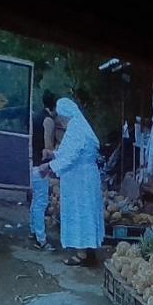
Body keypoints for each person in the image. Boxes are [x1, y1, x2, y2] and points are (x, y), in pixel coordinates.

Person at [39, 97, 103, 267]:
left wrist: (49, 166)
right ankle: (88, 250)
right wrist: (53, 155)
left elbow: (71, 157)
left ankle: (82, 254)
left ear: (64, 114)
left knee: (79, 213)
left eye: (60, 116)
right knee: (87, 213)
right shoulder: (80, 126)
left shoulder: (75, 127)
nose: (59, 120)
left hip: (80, 180)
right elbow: (70, 152)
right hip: (84, 177)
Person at [28, 91, 60, 251]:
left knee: (36, 201)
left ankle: (33, 230)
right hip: (41, 166)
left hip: (32, 163)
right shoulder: (48, 120)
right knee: (41, 203)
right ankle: (41, 240)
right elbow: (47, 147)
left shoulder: (35, 117)